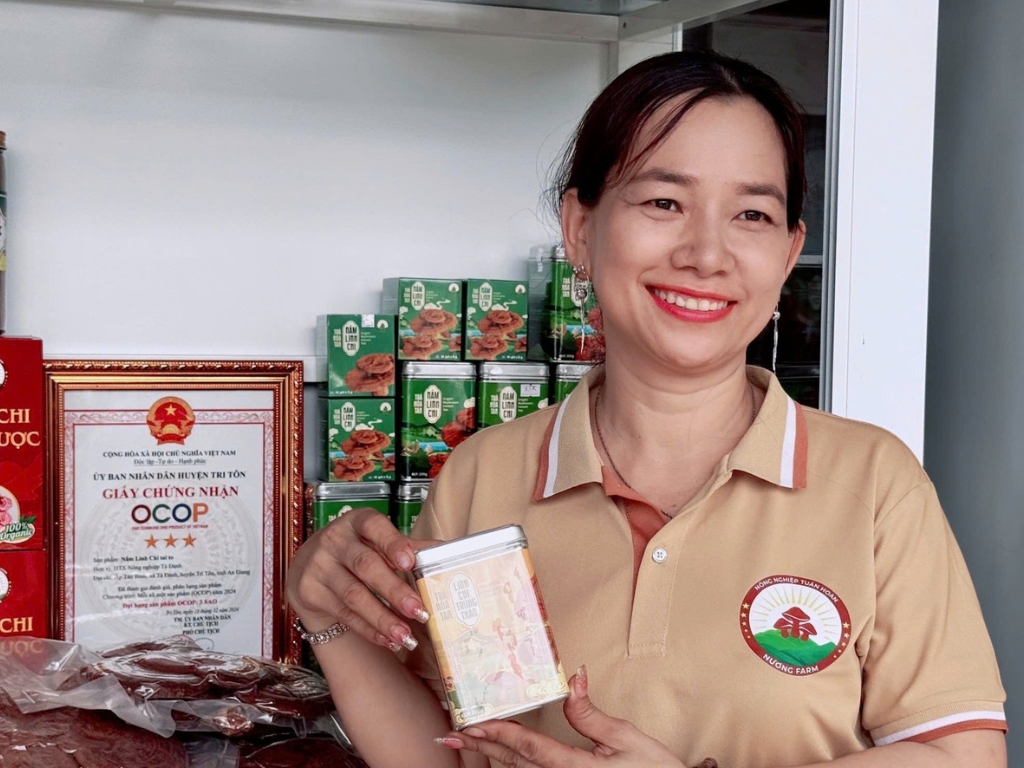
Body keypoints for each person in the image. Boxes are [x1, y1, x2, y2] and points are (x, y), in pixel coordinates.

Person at [287, 51, 1007, 768]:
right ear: (580, 227)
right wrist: (325, 614)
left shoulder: (874, 482)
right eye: (664, 202)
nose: (706, 254)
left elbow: (962, 755)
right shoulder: (486, 474)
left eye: (752, 214)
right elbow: (452, 755)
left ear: (789, 253)